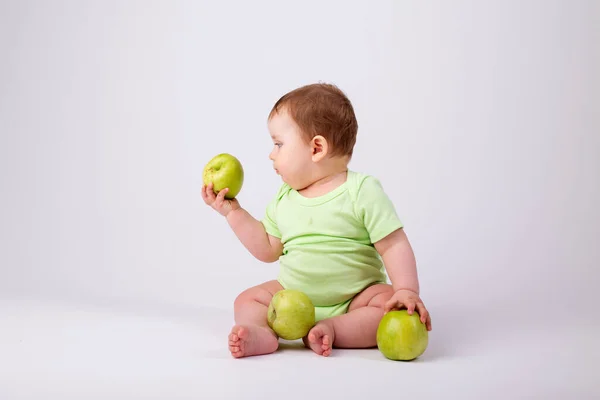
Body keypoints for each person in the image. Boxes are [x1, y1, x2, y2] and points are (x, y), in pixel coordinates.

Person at [201, 83, 432, 358]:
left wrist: (406, 290)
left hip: (355, 299)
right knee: (246, 301)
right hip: (291, 296)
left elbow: (393, 245)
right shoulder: (284, 198)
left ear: (316, 148)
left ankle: (333, 328)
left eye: (278, 144)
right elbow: (267, 248)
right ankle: (264, 333)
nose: (271, 154)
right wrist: (233, 213)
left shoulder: (361, 191)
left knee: (383, 304)